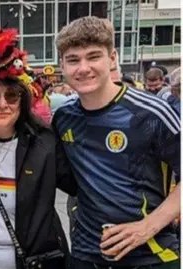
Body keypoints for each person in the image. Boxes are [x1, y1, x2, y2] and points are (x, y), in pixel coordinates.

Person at [54, 16, 180, 269]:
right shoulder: (63, 118)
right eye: (73, 60)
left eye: (93, 56)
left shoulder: (151, 112)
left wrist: (147, 227)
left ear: (112, 58)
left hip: (150, 256)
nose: (83, 68)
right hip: (86, 254)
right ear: (62, 66)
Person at [0, 26, 76, 269]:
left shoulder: (45, 142)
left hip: (33, 262)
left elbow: (79, 185)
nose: (2, 104)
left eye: (11, 96)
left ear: (22, 102)